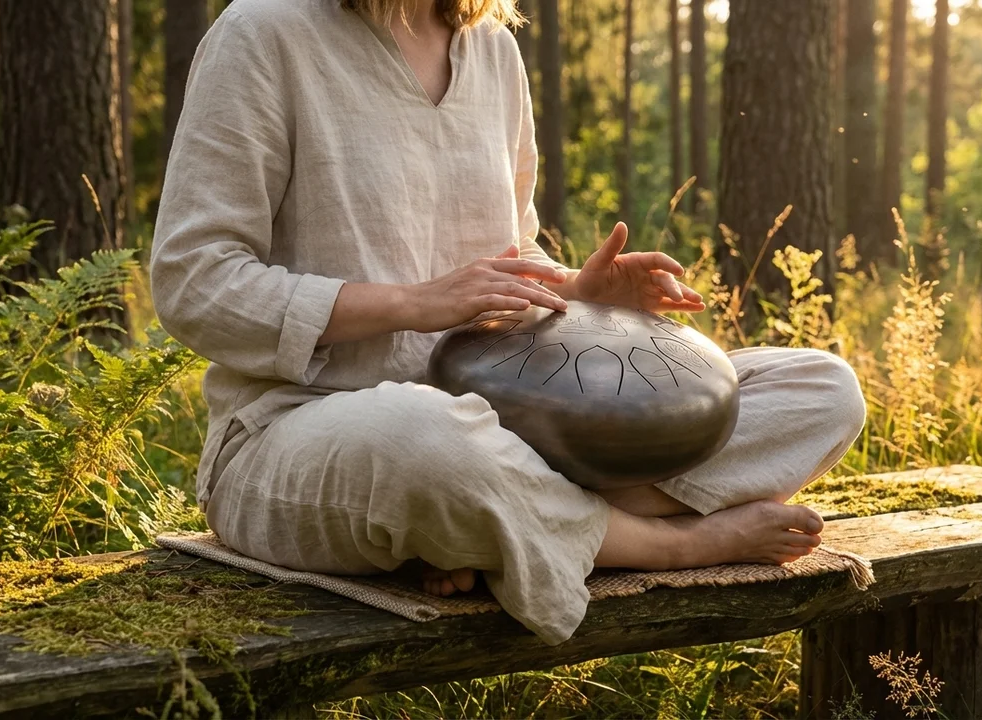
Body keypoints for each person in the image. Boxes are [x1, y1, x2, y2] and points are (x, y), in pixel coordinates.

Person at [150, 0, 867, 646]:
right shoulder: (262, 32)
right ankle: (669, 543)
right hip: (316, 436)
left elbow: (511, 254)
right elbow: (195, 279)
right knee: (425, 437)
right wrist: (412, 303)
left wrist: (579, 295)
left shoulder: (491, 44)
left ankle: (501, 526)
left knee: (819, 389)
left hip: (513, 426)